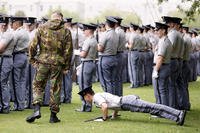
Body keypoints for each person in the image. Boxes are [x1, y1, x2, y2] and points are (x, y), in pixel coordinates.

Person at [26, 11, 73, 123]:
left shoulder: (41, 28)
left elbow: (32, 45)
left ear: (51, 18)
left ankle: (37, 109)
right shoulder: (66, 31)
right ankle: (53, 116)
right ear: (61, 18)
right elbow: (68, 51)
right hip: (57, 63)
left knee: (38, 85)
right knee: (55, 88)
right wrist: (66, 66)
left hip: (42, 61)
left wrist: (32, 59)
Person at [78, 87, 186, 126]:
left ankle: (179, 114)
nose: (85, 100)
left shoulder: (96, 97)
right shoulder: (98, 95)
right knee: (153, 109)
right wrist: (114, 115)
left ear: (87, 95)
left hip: (126, 102)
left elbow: (105, 106)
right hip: (126, 101)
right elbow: (113, 104)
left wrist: (105, 118)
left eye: (84, 98)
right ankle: (177, 116)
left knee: (153, 108)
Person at [74, 23, 97, 112]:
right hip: (90, 62)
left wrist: (76, 52)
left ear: (88, 30)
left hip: (87, 63)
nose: (84, 31)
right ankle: (88, 105)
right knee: (87, 86)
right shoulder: (94, 40)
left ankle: (86, 106)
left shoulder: (88, 40)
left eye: (85, 30)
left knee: (84, 86)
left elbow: (83, 54)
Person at [10, 16, 30, 111]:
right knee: (22, 82)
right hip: (25, 56)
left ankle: (18, 105)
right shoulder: (26, 32)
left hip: (17, 57)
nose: (11, 25)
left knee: (16, 82)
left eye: (12, 23)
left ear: (17, 23)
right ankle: (21, 104)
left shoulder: (17, 33)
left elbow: (11, 45)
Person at [152, 22, 172, 106]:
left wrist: (156, 70)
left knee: (160, 90)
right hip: (164, 66)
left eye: (158, 30)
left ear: (163, 30)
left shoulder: (163, 42)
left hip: (161, 67)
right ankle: (164, 110)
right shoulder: (164, 40)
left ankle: (161, 110)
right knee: (163, 90)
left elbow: (160, 58)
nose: (156, 32)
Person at [98, 16, 119, 95]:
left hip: (105, 58)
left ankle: (108, 99)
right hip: (114, 57)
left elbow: (100, 49)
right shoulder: (116, 34)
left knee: (106, 81)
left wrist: (96, 45)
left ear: (107, 24)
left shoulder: (106, 34)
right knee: (112, 81)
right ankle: (113, 98)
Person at [0, 16, 15, 113]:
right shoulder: (3, 33)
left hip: (5, 59)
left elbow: (1, 49)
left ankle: (5, 107)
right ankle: (3, 106)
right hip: (3, 59)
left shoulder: (8, 34)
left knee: (3, 83)